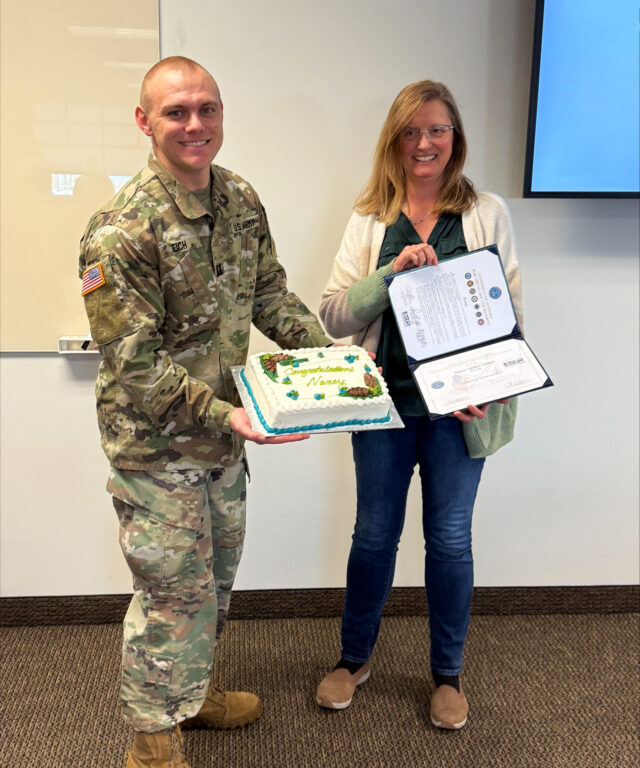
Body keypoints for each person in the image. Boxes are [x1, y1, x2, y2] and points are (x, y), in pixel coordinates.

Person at [78, 56, 332, 768]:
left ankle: (190, 695)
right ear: (144, 122)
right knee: (171, 597)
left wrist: (334, 362)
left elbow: (271, 297)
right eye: (176, 112)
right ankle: (153, 743)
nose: (195, 124)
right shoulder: (121, 230)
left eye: (207, 109)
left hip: (223, 441)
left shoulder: (240, 199)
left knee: (215, 583)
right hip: (156, 449)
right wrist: (228, 417)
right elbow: (135, 364)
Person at [316, 80, 522, 730]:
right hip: (384, 406)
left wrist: (487, 386)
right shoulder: (369, 218)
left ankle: (447, 676)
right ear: (395, 142)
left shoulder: (486, 212)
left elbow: (511, 314)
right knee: (374, 536)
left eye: (436, 130)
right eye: (411, 132)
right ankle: (354, 661)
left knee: (450, 539)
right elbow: (333, 317)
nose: (424, 142)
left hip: (461, 413)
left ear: (454, 138)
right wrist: (389, 275)